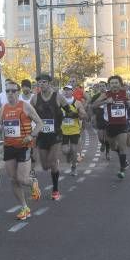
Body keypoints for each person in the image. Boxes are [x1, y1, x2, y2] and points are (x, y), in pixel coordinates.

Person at [0, 81, 43, 219]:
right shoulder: (3, 108)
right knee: (13, 179)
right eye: (7, 91)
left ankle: (33, 182)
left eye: (13, 91)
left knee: (22, 179)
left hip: (24, 146)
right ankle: (24, 207)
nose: (10, 93)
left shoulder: (25, 106)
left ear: (18, 92)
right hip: (9, 146)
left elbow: (40, 123)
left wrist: (31, 136)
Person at [31, 73, 76, 201]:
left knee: (52, 161)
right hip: (42, 135)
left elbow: (69, 110)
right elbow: (29, 113)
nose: (41, 84)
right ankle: (54, 164)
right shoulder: (35, 98)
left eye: (44, 82)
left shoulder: (58, 97)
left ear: (49, 83)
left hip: (56, 134)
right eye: (39, 82)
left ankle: (55, 190)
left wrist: (72, 114)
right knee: (45, 166)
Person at [92, 75, 130, 179]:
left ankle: (122, 169)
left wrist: (129, 103)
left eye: (116, 83)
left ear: (120, 84)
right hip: (110, 126)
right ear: (109, 85)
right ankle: (123, 160)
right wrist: (105, 101)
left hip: (122, 124)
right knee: (114, 147)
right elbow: (93, 105)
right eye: (112, 83)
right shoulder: (106, 94)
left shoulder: (126, 94)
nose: (114, 85)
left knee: (123, 147)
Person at [61, 85, 88, 176]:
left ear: (72, 92)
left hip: (74, 130)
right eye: (65, 90)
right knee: (65, 151)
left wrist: (77, 114)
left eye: (68, 90)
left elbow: (84, 114)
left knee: (74, 149)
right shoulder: (60, 102)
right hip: (63, 130)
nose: (66, 92)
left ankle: (74, 168)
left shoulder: (77, 103)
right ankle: (68, 155)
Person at [90, 81, 110, 160]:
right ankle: (103, 144)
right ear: (98, 88)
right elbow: (92, 106)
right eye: (100, 86)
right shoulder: (95, 96)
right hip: (99, 117)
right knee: (100, 137)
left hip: (108, 118)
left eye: (103, 86)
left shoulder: (109, 95)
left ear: (106, 87)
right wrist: (92, 116)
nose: (102, 87)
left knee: (107, 137)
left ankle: (107, 152)